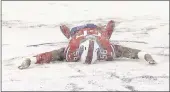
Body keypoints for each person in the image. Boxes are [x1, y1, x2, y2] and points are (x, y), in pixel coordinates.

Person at [18, 20, 156, 70]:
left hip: (77, 31)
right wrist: (146, 56)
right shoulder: (107, 49)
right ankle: (109, 26)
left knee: (69, 34)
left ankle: (67, 31)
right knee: (107, 32)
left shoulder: (70, 51)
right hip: (97, 30)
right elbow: (130, 52)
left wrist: (30, 60)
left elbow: (49, 56)